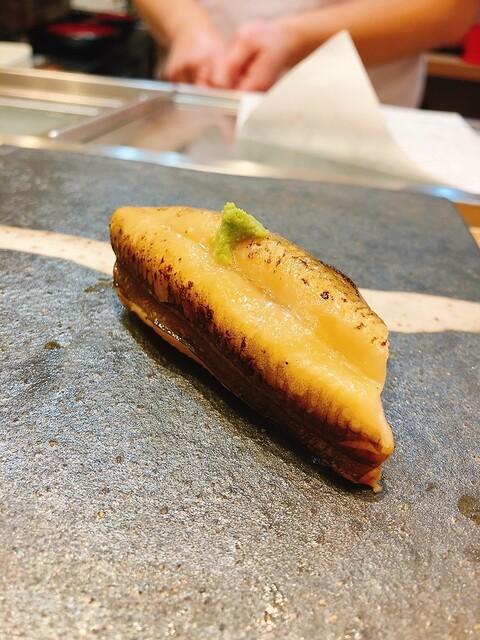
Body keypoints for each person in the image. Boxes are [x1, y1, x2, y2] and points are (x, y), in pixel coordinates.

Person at [134, 0, 480, 107]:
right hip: (191, 110)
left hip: (355, 134)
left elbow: (450, 10)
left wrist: (292, 38)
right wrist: (185, 24)